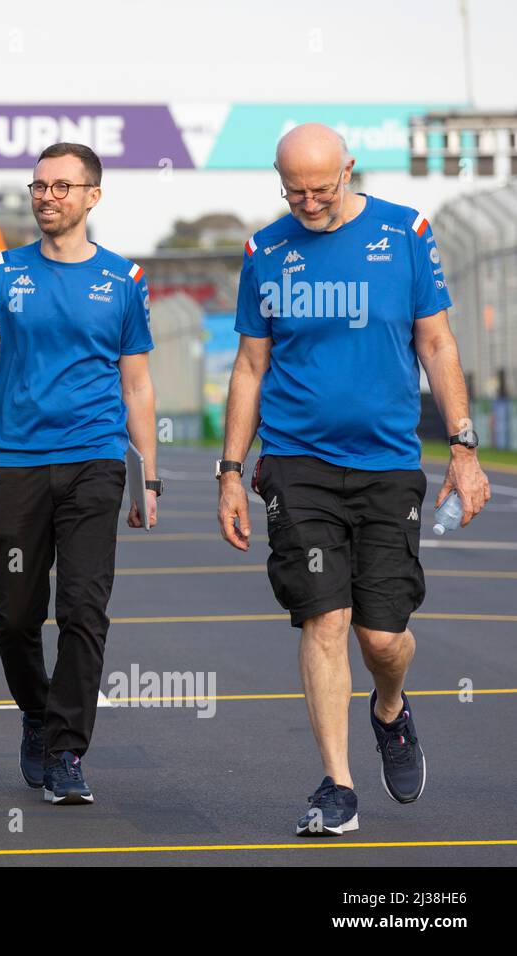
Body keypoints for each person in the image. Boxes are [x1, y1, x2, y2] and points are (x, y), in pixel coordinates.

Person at [217, 123, 491, 836]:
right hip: (297, 464)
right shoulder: (266, 251)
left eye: (322, 188)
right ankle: (337, 785)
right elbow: (250, 366)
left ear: (350, 170)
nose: (308, 202)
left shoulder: (406, 234)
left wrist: (463, 448)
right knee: (325, 618)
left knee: (381, 637)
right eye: (294, 190)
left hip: (387, 464)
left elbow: (436, 340)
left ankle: (391, 708)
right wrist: (229, 470)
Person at [0, 143, 159, 805]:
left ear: (92, 196)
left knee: (82, 610)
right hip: (15, 463)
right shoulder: (1, 272)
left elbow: (138, 384)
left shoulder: (123, 278)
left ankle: (67, 750)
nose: (48, 196)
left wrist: (145, 476)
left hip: (95, 460)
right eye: (40, 185)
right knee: (13, 617)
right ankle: (38, 712)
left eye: (63, 186)